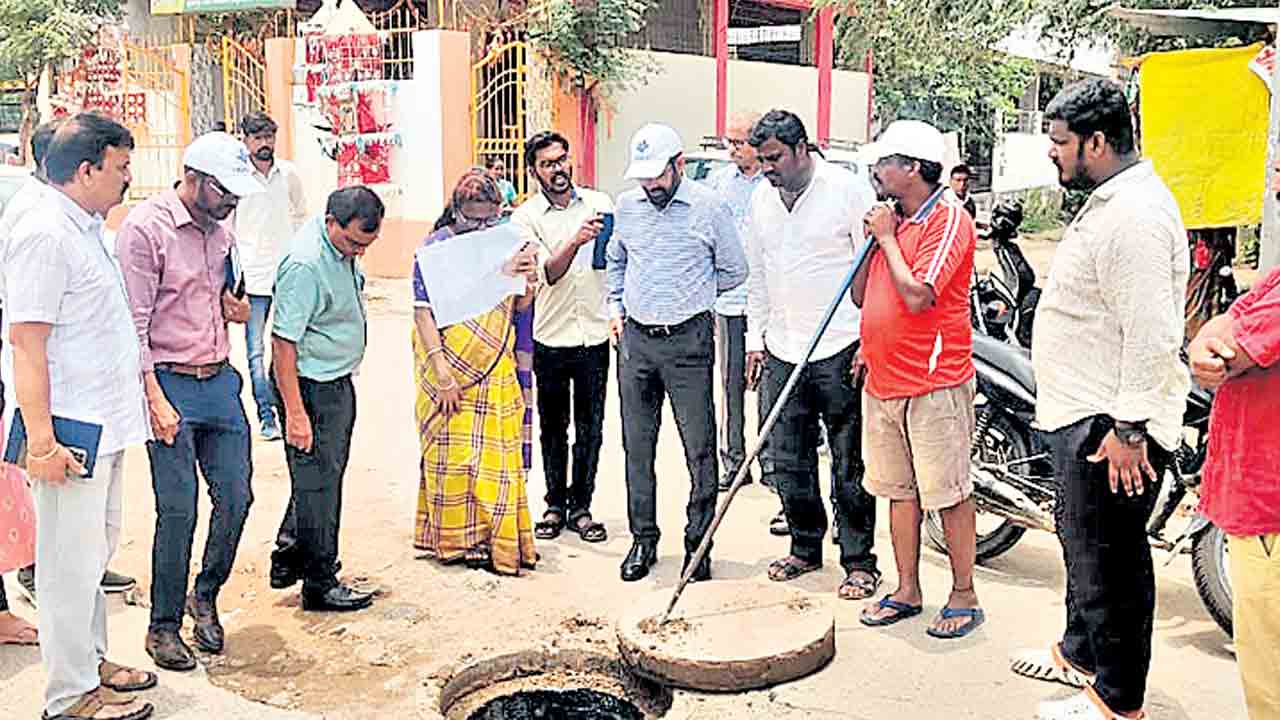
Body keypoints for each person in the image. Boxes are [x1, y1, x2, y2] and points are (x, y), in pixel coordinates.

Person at [1011, 78, 1188, 720]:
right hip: (1085, 409)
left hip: (1111, 423)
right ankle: (1079, 655)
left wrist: (1129, 430)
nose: (1052, 155)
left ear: (1097, 141)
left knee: (1113, 562)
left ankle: (1118, 700)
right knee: (1083, 544)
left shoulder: (1136, 214)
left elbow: (1152, 331)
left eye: (1060, 143)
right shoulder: (1115, 198)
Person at [5, 112, 156, 720]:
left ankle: (90, 662)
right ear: (87, 169)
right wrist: (41, 441)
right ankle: (69, 698)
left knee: (91, 555)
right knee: (67, 566)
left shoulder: (84, 223)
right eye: (120, 168)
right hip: (68, 429)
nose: (127, 179)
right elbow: (26, 342)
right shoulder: (45, 230)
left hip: (104, 419)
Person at [116, 131, 262, 671]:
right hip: (169, 383)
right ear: (195, 179)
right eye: (225, 191)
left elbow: (221, 296)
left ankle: (205, 594)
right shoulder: (144, 231)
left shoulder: (222, 230)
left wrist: (233, 310)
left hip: (219, 379)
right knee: (177, 509)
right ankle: (163, 625)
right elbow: (131, 324)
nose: (232, 202)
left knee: (237, 496)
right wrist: (152, 397)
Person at [852, 120, 983, 639]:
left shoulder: (948, 218)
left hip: (934, 381)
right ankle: (907, 588)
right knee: (897, 491)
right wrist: (872, 240)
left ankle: (964, 593)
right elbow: (863, 296)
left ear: (911, 168)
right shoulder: (892, 221)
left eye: (883, 163)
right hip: (883, 379)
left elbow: (918, 296)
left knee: (947, 492)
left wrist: (886, 238)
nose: (874, 171)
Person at [744, 110, 880, 600]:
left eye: (775, 157)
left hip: (840, 346)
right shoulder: (761, 199)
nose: (768, 168)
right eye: (761, 159)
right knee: (788, 458)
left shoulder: (846, 190)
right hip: (782, 347)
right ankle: (804, 546)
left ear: (803, 149)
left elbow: (873, 268)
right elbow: (758, 275)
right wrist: (756, 340)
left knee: (849, 461)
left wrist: (869, 338)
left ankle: (860, 560)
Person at [608, 123, 747, 582]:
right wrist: (617, 305)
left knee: (700, 448)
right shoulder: (628, 207)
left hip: (688, 342)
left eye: (658, 176)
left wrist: (692, 295)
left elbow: (734, 269)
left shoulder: (709, 208)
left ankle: (698, 544)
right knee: (637, 447)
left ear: (679, 165)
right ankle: (642, 539)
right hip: (636, 344)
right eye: (643, 178)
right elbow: (617, 259)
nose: (650, 187)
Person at [413, 170, 540, 573]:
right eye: (472, 219)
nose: (480, 227)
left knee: (496, 464)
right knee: (452, 459)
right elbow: (424, 311)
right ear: (456, 211)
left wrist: (527, 283)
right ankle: (454, 541)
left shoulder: (508, 244)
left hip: (496, 365)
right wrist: (442, 373)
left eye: (489, 219)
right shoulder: (436, 249)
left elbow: (518, 310)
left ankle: (497, 542)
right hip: (448, 364)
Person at [270, 186, 384, 611]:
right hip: (310, 386)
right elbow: (283, 344)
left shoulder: (341, 252)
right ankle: (319, 582)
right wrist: (296, 412)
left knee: (318, 477)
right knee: (321, 485)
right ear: (331, 222)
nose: (358, 251)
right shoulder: (306, 264)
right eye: (353, 242)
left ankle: (288, 554)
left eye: (366, 245)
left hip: (334, 380)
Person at [511, 131, 613, 544]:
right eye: (549, 164)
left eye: (563, 160)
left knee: (591, 427)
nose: (559, 169)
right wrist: (574, 240)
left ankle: (582, 506)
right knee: (554, 427)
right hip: (551, 336)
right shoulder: (526, 217)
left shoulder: (600, 204)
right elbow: (548, 274)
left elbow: (611, 262)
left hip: (594, 333)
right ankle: (554, 505)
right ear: (534, 171)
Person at [1189, 267, 1280, 720]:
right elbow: (1226, 321)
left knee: (1269, 677)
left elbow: (1226, 353)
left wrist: (1208, 343)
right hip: (1261, 511)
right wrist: (1211, 335)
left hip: (1270, 515)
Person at [233, 111, 307, 441]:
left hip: (287, 274)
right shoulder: (236, 178)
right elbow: (227, 229)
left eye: (269, 137)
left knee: (291, 344)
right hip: (252, 277)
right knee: (255, 350)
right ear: (245, 139)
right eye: (258, 138)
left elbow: (301, 215)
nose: (265, 144)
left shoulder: (288, 174)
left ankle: (289, 406)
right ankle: (266, 415)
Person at [706, 111, 764, 494]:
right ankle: (735, 461)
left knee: (768, 383)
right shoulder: (718, 184)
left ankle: (773, 462)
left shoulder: (774, 183)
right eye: (728, 142)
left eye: (738, 143)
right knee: (730, 384)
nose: (731, 151)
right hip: (729, 301)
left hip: (767, 300)